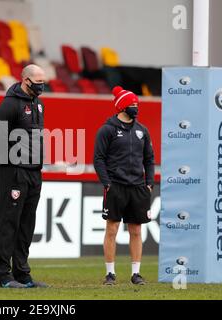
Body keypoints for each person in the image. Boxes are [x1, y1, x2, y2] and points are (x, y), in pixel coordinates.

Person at [0, 64, 48, 288]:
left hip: (34, 172)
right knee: (8, 223)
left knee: (26, 224)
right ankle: (2, 276)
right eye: (38, 81)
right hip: (14, 171)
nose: (42, 85)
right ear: (26, 80)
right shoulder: (10, 104)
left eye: (44, 81)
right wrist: (13, 160)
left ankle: (22, 273)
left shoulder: (39, 105)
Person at [93, 86, 155, 286]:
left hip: (138, 187)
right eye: (132, 104)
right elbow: (98, 159)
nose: (136, 107)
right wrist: (107, 183)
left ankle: (136, 274)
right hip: (116, 186)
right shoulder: (107, 129)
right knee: (112, 229)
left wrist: (149, 183)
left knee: (136, 230)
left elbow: (149, 159)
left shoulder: (142, 131)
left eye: (137, 104)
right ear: (121, 106)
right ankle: (110, 274)